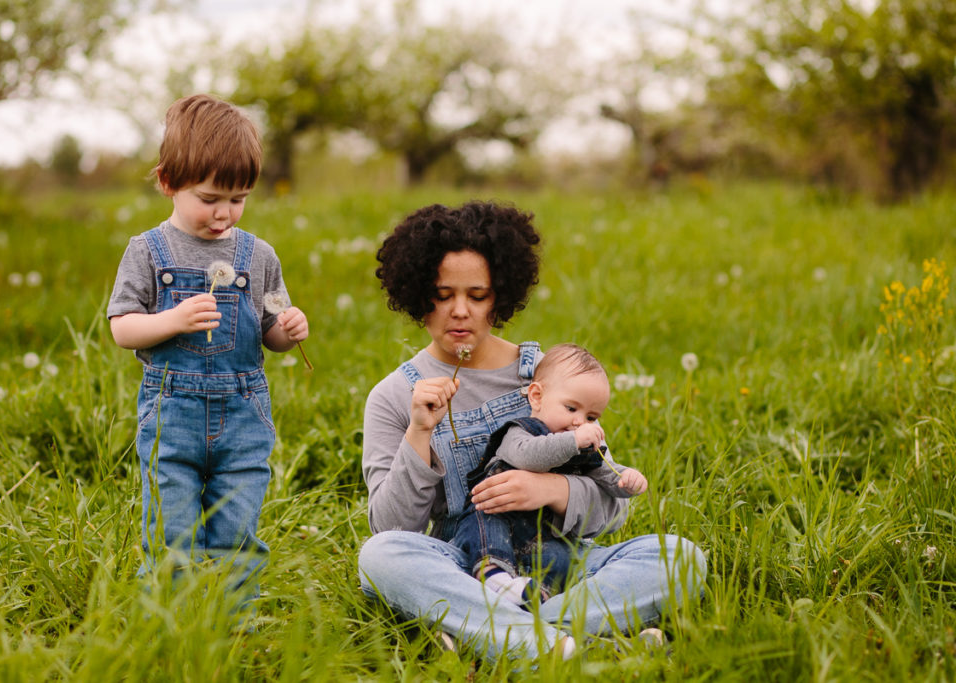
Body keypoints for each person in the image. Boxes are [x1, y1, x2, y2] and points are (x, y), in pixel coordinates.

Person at [358, 200, 706, 661]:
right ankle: (581, 638)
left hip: (563, 557)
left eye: (477, 296)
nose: (460, 311)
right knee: (380, 557)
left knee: (681, 558)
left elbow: (613, 504)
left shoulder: (541, 376)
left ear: (499, 295)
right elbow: (392, 527)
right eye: (443, 295)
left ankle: (501, 634)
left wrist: (550, 489)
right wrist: (419, 433)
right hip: (469, 567)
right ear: (419, 293)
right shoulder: (393, 395)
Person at [107, 94, 309, 604]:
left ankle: (234, 622)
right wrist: (171, 320)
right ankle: (169, 620)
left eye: (238, 199)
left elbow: (270, 333)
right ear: (168, 181)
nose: (224, 213)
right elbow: (122, 328)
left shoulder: (257, 255)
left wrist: (289, 329)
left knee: (238, 526)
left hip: (243, 411)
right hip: (172, 411)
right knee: (169, 525)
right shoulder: (147, 252)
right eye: (210, 197)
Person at [452, 343, 649, 609]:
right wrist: (573, 441)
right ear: (536, 396)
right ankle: (493, 575)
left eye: (592, 416)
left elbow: (606, 473)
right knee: (484, 526)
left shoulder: (583, 443)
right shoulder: (521, 432)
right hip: (496, 515)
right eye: (571, 409)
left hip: (545, 536)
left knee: (561, 557)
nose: (581, 422)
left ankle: (536, 601)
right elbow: (530, 456)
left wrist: (627, 479)